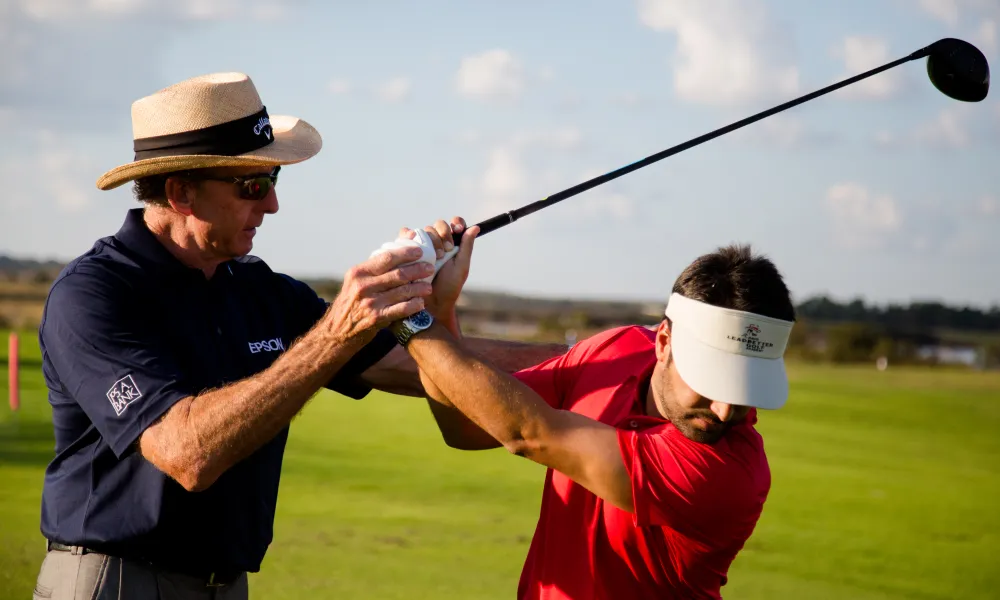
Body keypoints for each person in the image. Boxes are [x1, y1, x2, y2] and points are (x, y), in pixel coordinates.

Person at [32, 72, 565, 599]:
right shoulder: (94, 295)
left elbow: (420, 365)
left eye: (273, 181)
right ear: (181, 192)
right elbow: (185, 453)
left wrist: (599, 353)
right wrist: (334, 335)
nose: (271, 205)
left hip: (227, 584)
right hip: (115, 581)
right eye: (252, 185)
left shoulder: (264, 291)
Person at [392, 222, 797, 599]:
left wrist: (411, 316)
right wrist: (439, 310)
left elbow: (527, 432)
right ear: (663, 342)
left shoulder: (729, 473)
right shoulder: (617, 349)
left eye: (746, 390)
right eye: (712, 383)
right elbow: (465, 428)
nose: (726, 411)